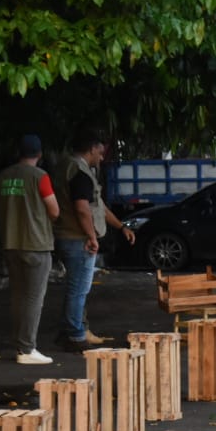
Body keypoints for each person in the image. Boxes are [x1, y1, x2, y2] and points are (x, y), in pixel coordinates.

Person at [53, 128, 135, 352]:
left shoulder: (66, 166)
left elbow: (98, 206)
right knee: (78, 289)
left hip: (69, 235)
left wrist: (121, 226)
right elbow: (82, 209)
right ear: (91, 149)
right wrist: (91, 236)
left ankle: (69, 331)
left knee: (76, 288)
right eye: (100, 152)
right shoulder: (79, 172)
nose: (101, 157)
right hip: (78, 238)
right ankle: (75, 335)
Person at [0, 134, 60, 365]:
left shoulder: (3, 176)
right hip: (36, 244)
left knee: (18, 296)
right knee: (34, 297)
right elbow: (54, 210)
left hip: (10, 242)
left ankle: (19, 342)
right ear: (40, 154)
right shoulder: (40, 177)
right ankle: (27, 349)